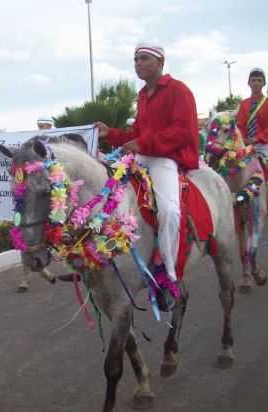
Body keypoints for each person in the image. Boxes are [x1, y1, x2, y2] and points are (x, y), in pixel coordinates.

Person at [95, 43, 199, 305]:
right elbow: (137, 134)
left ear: (159, 62)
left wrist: (143, 144)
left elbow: (183, 131)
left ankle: (167, 270)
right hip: (141, 157)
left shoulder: (179, 90)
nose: (137, 63)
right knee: (107, 196)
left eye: (143, 59)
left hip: (164, 159)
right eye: (135, 59)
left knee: (170, 212)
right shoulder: (142, 95)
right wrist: (113, 133)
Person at [236, 68, 268, 180]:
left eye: (259, 80)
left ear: (264, 83)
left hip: (264, 145)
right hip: (246, 145)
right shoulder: (243, 104)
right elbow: (239, 125)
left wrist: (256, 138)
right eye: (253, 80)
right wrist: (243, 139)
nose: (256, 83)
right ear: (249, 83)